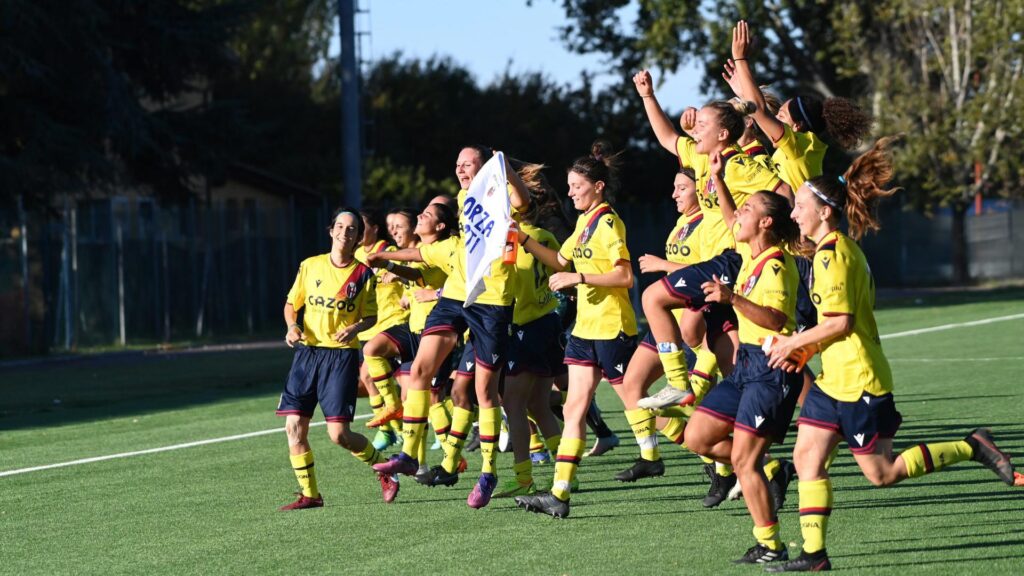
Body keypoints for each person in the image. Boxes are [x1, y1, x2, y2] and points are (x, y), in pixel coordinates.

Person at [763, 138, 1017, 572]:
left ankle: (969, 445)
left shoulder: (834, 256)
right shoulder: (828, 253)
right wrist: (806, 352)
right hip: (833, 380)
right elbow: (835, 323)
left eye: (799, 204)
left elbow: (841, 322)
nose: (793, 212)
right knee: (807, 457)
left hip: (860, 380)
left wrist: (791, 343)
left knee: (882, 473)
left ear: (825, 211)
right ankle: (814, 555)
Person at [370, 146, 529, 509]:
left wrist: (503, 168)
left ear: (485, 167)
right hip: (456, 293)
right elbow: (424, 253)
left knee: (486, 393)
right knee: (420, 371)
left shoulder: (498, 192)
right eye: (456, 163)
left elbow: (522, 199)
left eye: (467, 163)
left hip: (492, 299)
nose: (460, 169)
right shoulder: (461, 197)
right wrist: (385, 256)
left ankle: (488, 471)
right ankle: (410, 453)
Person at [684, 150, 803, 565]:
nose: (740, 214)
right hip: (746, 366)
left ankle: (770, 544)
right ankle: (771, 469)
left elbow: (775, 318)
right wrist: (716, 177)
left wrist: (732, 297)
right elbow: (732, 216)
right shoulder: (752, 253)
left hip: (770, 369)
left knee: (739, 459)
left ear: (766, 222)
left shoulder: (775, 265)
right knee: (696, 437)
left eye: (750, 207)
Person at [514, 153, 638, 519]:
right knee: (573, 408)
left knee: (640, 405)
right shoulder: (584, 221)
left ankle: (721, 459)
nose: (570, 194)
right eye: (569, 187)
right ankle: (560, 493)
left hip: (612, 326)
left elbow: (625, 277)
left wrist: (580, 279)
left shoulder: (609, 223)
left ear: (598, 187)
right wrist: (522, 239)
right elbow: (560, 262)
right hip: (585, 328)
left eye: (577, 187)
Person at [276, 207, 399, 509]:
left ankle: (385, 471)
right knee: (293, 427)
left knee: (339, 435)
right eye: (340, 227)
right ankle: (310, 494)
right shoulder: (310, 266)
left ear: (358, 238)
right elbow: (292, 304)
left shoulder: (363, 275)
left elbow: (370, 317)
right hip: (307, 355)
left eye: (352, 229)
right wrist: (292, 326)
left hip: (340, 358)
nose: (345, 232)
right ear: (331, 231)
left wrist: (355, 327)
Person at [613, 167, 703, 483]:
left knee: (692, 405)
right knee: (632, 386)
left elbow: (714, 273)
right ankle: (650, 458)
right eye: (675, 187)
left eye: (682, 188)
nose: (674, 194)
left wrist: (663, 266)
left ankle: (720, 458)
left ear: (700, 188)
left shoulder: (711, 223)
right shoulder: (682, 224)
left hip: (694, 326)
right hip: (664, 319)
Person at [722, 20, 871, 191]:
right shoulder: (803, 146)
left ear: (797, 126)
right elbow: (762, 113)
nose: (776, 117)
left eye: (781, 115)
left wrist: (741, 59)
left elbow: (761, 111)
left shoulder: (798, 147)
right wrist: (743, 95)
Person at [493, 162, 567, 498]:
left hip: (528, 328)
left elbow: (510, 282)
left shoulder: (517, 240)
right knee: (538, 404)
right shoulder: (544, 235)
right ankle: (569, 469)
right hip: (547, 323)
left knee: (513, 403)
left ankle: (523, 477)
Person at [362, 209, 420, 430]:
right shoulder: (360, 254)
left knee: (444, 393)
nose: (394, 230)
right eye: (391, 225)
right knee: (418, 395)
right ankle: (401, 440)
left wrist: (403, 279)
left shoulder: (393, 252)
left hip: (404, 324)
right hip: (380, 328)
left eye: (399, 225)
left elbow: (429, 278)